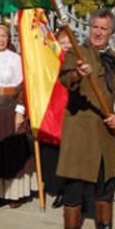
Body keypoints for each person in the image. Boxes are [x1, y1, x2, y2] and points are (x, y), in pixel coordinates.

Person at [56, 8, 115, 229]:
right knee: (74, 191)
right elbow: (65, 80)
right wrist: (79, 73)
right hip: (80, 133)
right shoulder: (76, 53)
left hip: (106, 135)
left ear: (111, 33)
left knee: (106, 190)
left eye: (103, 29)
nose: (98, 32)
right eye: (95, 27)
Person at [0, 24, 36, 207]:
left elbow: (23, 87)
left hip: (8, 108)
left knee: (11, 150)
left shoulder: (16, 59)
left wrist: (20, 111)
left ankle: (15, 194)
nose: (1, 39)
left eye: (5, 36)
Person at [42, 29, 71, 209]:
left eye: (69, 42)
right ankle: (61, 190)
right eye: (63, 42)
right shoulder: (50, 62)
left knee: (74, 157)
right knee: (56, 157)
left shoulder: (78, 61)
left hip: (72, 114)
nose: (66, 46)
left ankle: (78, 195)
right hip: (53, 114)